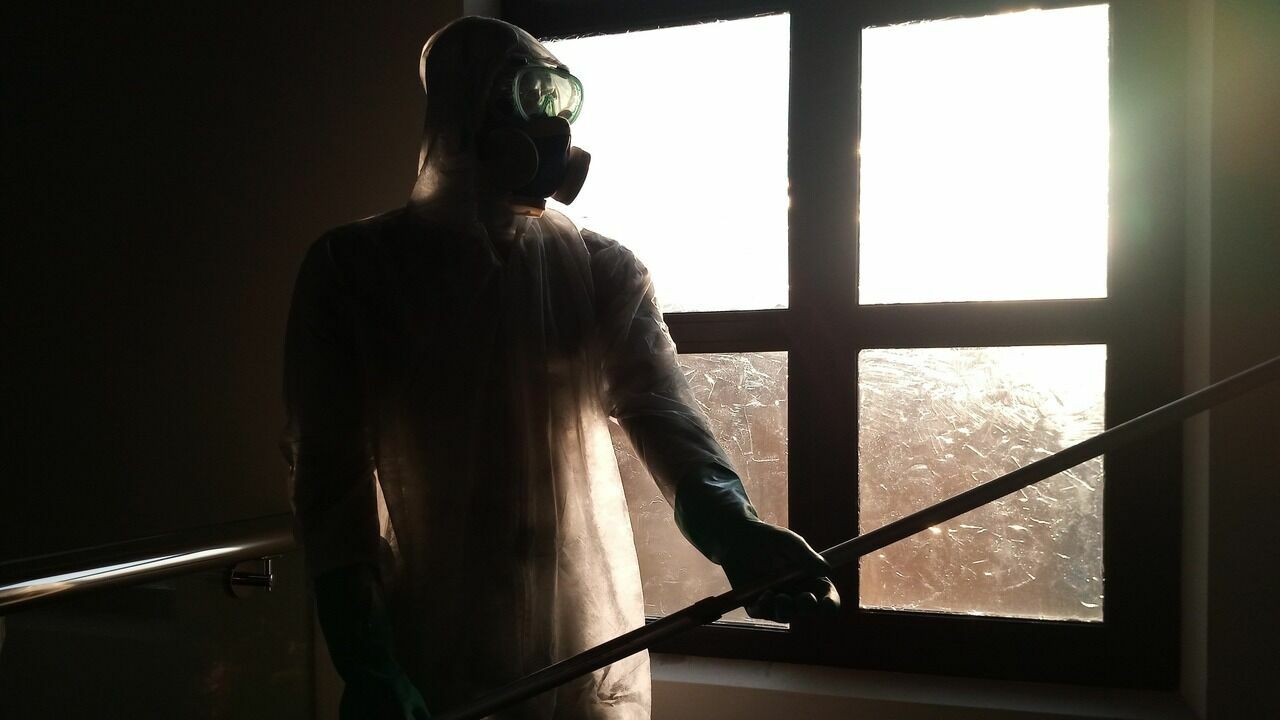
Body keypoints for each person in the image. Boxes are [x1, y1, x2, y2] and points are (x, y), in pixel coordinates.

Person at [282, 16, 838, 720]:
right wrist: (368, 661)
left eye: (558, 112)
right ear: (460, 120)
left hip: (576, 627)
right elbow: (331, 479)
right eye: (525, 108)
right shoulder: (357, 271)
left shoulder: (600, 270)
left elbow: (661, 409)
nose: (553, 137)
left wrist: (733, 528)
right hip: (430, 632)